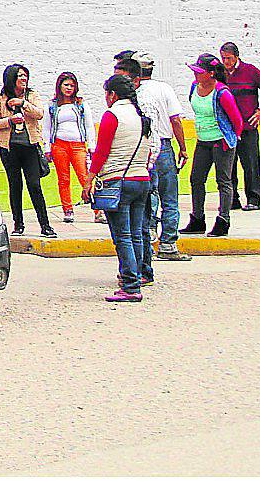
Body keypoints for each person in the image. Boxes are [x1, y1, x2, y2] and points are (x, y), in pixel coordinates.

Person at [84, 74, 155, 302]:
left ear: (112, 94)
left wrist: (89, 180)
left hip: (119, 181)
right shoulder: (141, 117)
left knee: (122, 236)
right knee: (136, 234)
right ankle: (138, 276)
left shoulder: (112, 115)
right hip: (141, 180)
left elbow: (102, 152)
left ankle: (131, 285)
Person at [129, 52, 192, 262]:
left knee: (148, 195)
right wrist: (183, 147)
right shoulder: (164, 89)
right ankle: (168, 244)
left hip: (143, 146)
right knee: (170, 197)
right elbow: (176, 120)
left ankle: (149, 234)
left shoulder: (133, 92)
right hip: (164, 145)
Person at [179, 53, 244, 238]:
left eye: (200, 72)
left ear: (212, 73)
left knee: (223, 181)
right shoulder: (194, 87)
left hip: (220, 141)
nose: (196, 75)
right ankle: (197, 219)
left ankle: (223, 220)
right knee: (196, 179)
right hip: (203, 141)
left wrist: (230, 139)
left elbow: (237, 121)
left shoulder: (222, 93)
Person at [0, 64, 55, 237]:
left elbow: (40, 113)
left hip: (30, 146)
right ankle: (18, 224)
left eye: (25, 76)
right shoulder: (1, 98)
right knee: (15, 185)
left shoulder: (32, 95)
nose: (23, 79)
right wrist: (10, 120)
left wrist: (24, 104)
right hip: (9, 148)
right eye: (19, 76)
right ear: (11, 79)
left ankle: (45, 225)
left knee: (34, 185)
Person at [221, 42, 260, 211]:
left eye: (229, 58)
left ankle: (253, 198)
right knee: (228, 166)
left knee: (251, 163)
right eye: (223, 58)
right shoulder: (220, 74)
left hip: (248, 127)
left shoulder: (250, 71)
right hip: (229, 128)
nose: (226, 62)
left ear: (236, 57)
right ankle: (233, 199)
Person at [46, 72, 94, 224]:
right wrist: (47, 148)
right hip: (59, 144)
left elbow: (89, 126)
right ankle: (67, 210)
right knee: (63, 179)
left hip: (78, 145)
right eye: (66, 85)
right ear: (59, 86)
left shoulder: (80, 104)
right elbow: (47, 128)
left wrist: (91, 145)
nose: (69, 88)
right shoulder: (52, 105)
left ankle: (98, 209)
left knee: (84, 177)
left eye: (72, 85)